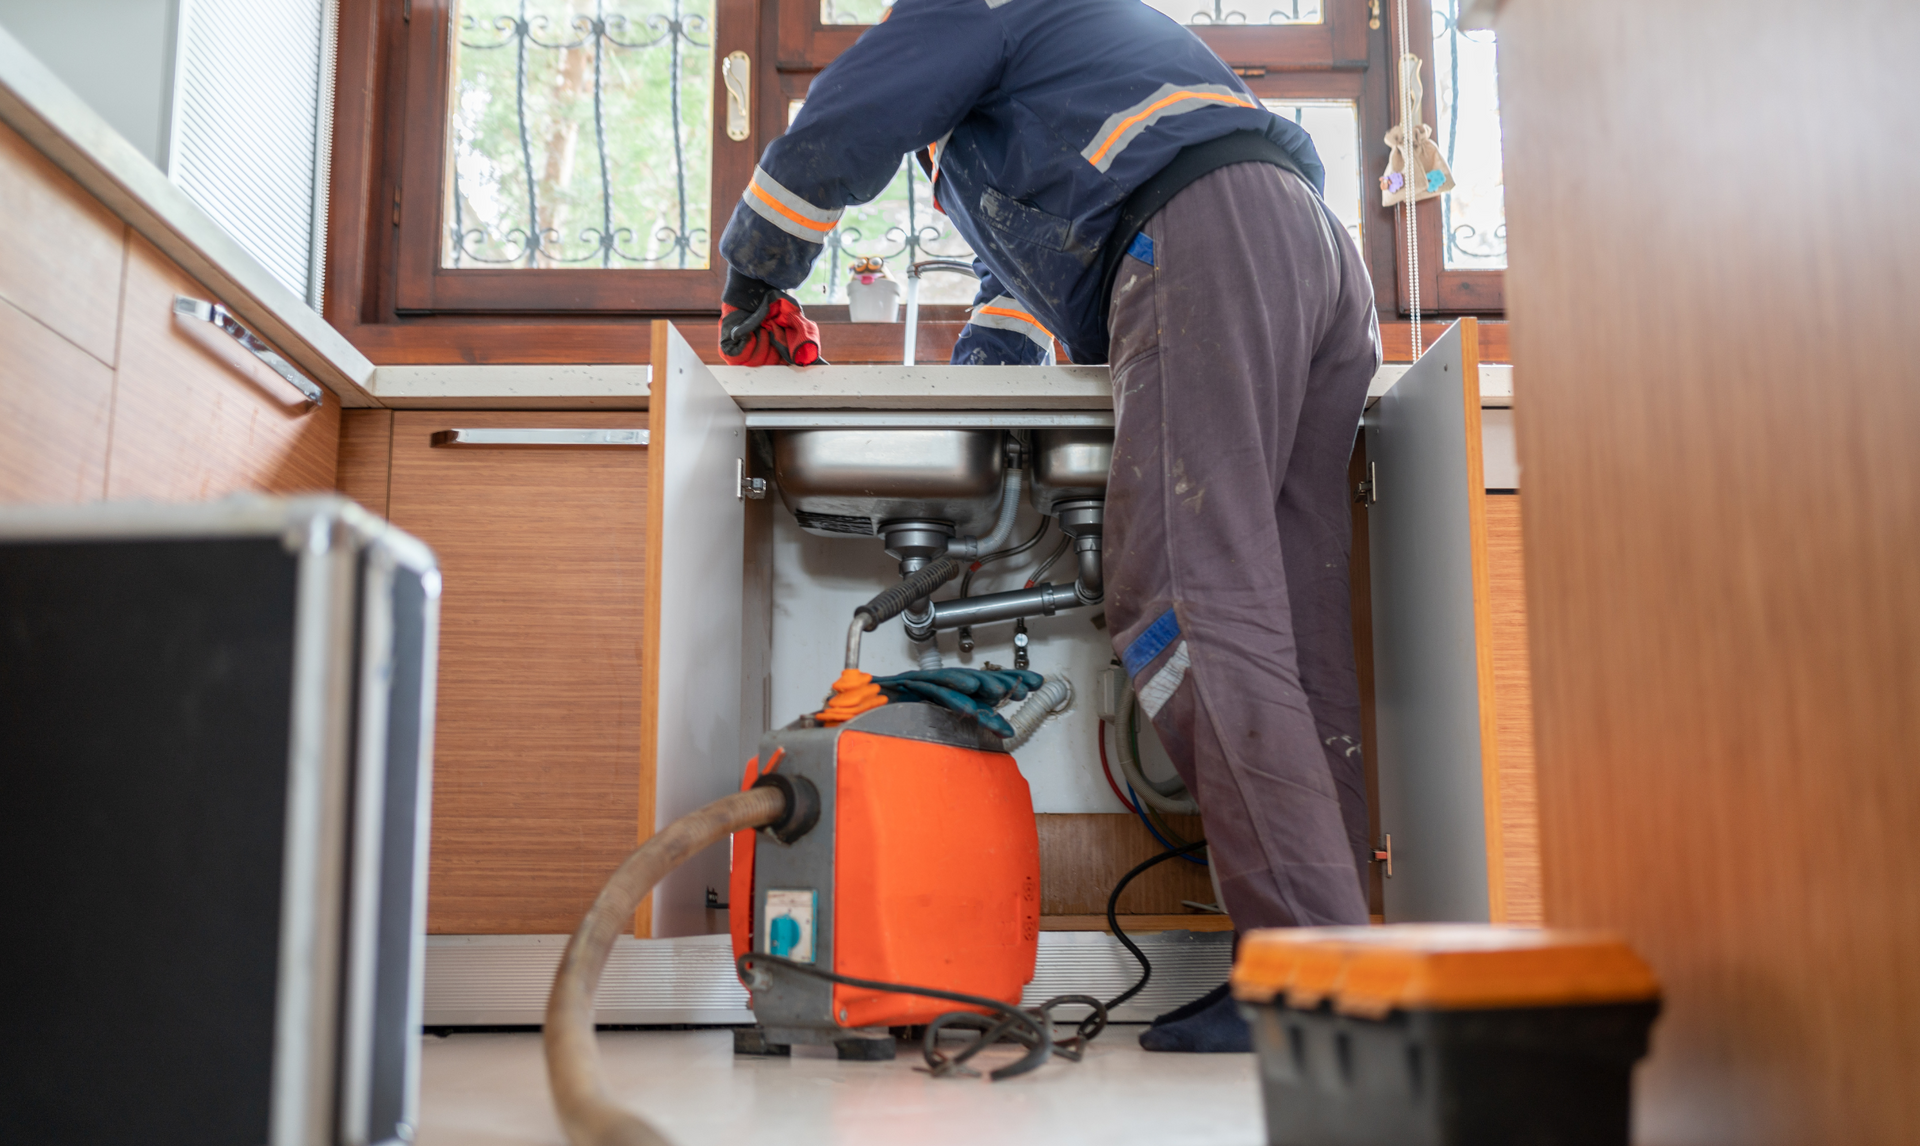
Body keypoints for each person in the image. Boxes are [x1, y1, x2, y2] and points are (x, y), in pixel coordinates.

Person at [717, 0, 1380, 1052]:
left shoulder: (968, 11)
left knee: (1191, 610)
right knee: (1288, 635)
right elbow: (1018, 300)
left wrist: (758, 263)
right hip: (1307, 254)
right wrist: (971, 385)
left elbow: (850, 114)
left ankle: (1303, 983)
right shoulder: (1055, 93)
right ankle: (1351, 976)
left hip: (1202, 237)